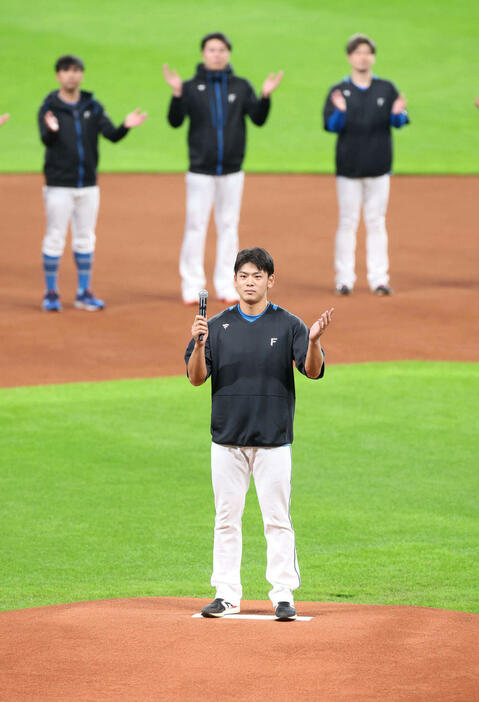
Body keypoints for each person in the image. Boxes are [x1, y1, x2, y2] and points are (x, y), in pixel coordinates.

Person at [185, 247, 334, 620]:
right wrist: (199, 345)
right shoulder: (215, 327)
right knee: (226, 518)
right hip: (227, 441)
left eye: (257, 276)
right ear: (235, 280)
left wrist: (314, 342)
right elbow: (195, 377)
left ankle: (283, 594)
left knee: (277, 518)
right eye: (243, 276)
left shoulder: (290, 325)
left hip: (273, 441)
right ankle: (226, 594)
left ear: (270, 280)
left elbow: (313, 372)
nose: (250, 282)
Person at [164, 32, 283, 305]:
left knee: (228, 225)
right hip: (200, 170)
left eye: (221, 49)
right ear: (203, 54)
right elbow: (174, 120)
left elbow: (258, 118)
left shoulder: (240, 86)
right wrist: (176, 94)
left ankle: (227, 284)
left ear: (228, 53)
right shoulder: (191, 87)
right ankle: (192, 284)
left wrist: (265, 96)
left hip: (232, 169)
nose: (216, 54)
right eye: (211, 49)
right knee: (196, 225)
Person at [38, 54, 147, 312]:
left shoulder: (92, 106)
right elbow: (47, 141)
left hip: (87, 184)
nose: (71, 75)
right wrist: (52, 130)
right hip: (59, 184)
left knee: (85, 238)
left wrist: (125, 127)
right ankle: (51, 292)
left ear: (82, 75)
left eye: (76, 70)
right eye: (66, 70)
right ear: (58, 76)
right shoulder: (49, 107)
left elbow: (111, 135)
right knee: (55, 237)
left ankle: (83, 292)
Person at [323, 34, 409, 296]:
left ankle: (379, 279)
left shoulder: (386, 88)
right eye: (358, 52)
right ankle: (344, 279)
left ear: (373, 57)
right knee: (348, 222)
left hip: (379, 168)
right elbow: (331, 126)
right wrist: (339, 111)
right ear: (350, 57)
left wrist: (398, 114)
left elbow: (400, 121)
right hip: (349, 169)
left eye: (367, 52)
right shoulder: (339, 91)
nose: (363, 57)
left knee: (376, 222)